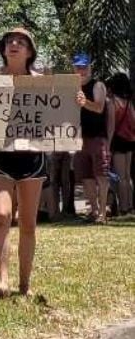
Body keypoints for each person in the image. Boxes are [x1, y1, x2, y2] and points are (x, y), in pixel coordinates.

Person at [0, 28, 46, 297]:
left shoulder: (42, 82)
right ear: (3, 50)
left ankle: (24, 284)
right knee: (2, 215)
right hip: (0, 155)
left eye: (20, 42)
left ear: (30, 51)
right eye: (9, 42)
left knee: (28, 223)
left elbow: (58, 113)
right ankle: (2, 280)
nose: (14, 45)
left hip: (32, 157)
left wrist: (74, 101)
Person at [73, 53, 111, 223]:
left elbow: (99, 108)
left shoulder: (98, 86)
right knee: (86, 177)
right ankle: (94, 211)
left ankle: (103, 213)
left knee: (101, 176)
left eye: (84, 66)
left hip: (97, 138)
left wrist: (84, 102)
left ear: (90, 68)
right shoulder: (71, 87)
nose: (81, 70)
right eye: (78, 67)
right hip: (79, 139)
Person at [108, 73, 135, 216]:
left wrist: (107, 145)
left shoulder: (113, 102)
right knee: (127, 175)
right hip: (130, 141)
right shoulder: (129, 103)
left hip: (118, 141)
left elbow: (111, 127)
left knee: (120, 177)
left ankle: (124, 207)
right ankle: (130, 205)